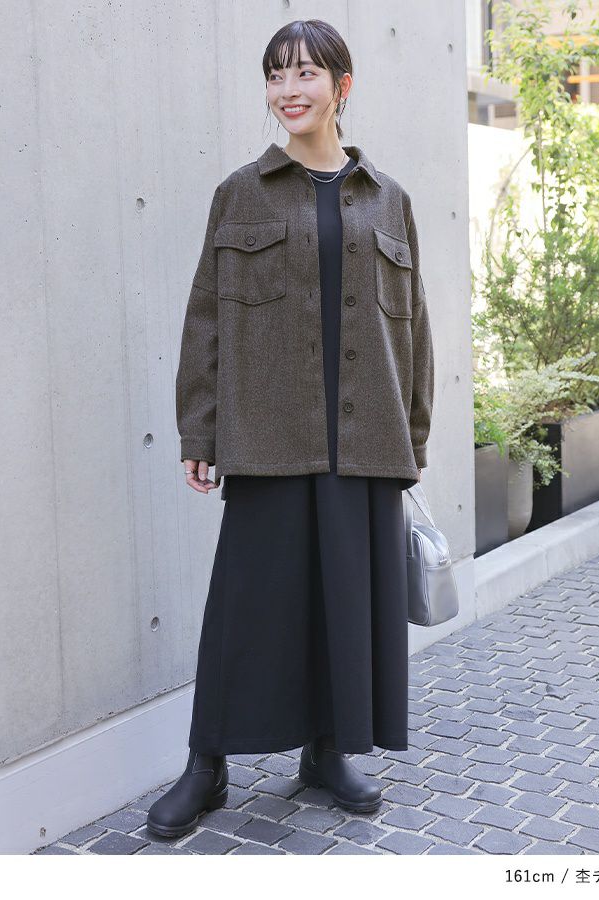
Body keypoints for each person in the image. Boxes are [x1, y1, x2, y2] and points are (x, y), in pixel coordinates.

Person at [147, 18, 434, 839]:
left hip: (366, 437)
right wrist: (199, 430)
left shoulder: (390, 199)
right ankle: (207, 765)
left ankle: (327, 752)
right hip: (267, 433)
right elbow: (205, 318)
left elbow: (415, 329)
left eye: (305, 73)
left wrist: (414, 438)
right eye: (276, 75)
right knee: (246, 607)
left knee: (345, 604)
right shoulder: (241, 193)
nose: (288, 90)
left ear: (342, 86)